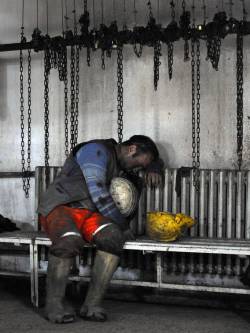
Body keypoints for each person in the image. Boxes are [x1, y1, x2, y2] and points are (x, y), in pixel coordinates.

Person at [38, 135, 164, 324]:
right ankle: (54, 305)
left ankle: (92, 305)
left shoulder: (122, 160)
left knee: (113, 238)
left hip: (89, 212)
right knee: (69, 240)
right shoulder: (95, 151)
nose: (136, 170)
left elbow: (151, 157)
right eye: (137, 165)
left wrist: (154, 166)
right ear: (131, 149)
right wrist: (122, 225)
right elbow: (98, 191)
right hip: (60, 207)